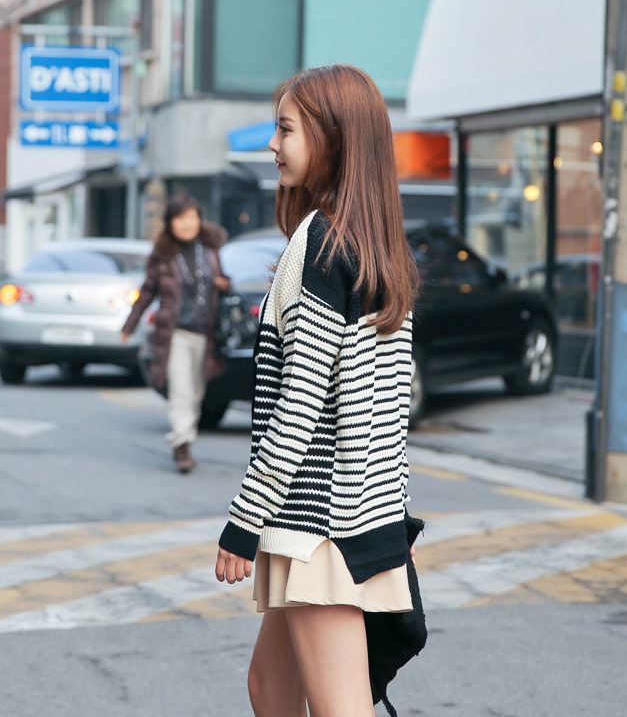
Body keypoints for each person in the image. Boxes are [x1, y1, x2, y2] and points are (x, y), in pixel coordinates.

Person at [214, 64, 419, 717]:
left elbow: (298, 407)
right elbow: (388, 405)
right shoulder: (372, 244)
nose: (272, 144)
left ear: (333, 137)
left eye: (286, 129)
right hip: (344, 514)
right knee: (269, 688)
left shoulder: (321, 243)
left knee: (340, 709)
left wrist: (242, 523)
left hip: (319, 524)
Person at [122, 194, 230, 473]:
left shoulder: (210, 249)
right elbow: (148, 291)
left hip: (206, 333)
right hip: (176, 333)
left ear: (199, 219)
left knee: (196, 392)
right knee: (181, 390)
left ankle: (184, 435)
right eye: (180, 218)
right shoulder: (162, 254)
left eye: (192, 217)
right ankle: (182, 444)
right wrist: (129, 325)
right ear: (170, 222)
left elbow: (223, 280)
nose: (187, 224)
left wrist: (223, 283)